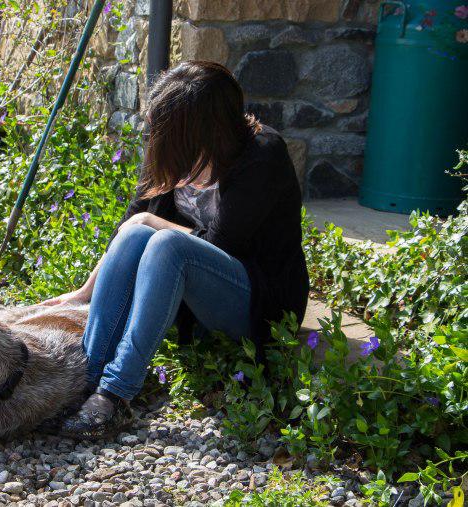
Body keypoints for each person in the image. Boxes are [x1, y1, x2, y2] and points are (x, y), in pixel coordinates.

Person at [41, 61, 309, 438]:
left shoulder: (262, 156)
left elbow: (217, 246)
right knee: (136, 234)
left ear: (202, 127)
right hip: (197, 296)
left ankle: (114, 395)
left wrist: (155, 223)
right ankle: (86, 375)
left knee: (166, 241)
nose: (157, 135)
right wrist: (86, 290)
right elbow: (132, 222)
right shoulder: (176, 149)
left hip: (260, 301)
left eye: (168, 127)